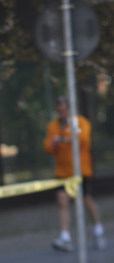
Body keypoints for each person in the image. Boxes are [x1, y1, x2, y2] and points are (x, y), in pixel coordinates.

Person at [43, 96, 106, 252]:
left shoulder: (82, 122)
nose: (61, 114)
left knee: (85, 199)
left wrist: (63, 138)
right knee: (62, 200)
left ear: (69, 109)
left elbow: (82, 139)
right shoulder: (53, 125)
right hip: (62, 172)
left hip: (80, 171)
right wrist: (55, 142)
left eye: (63, 111)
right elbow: (48, 146)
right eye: (59, 112)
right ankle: (65, 237)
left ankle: (98, 229)